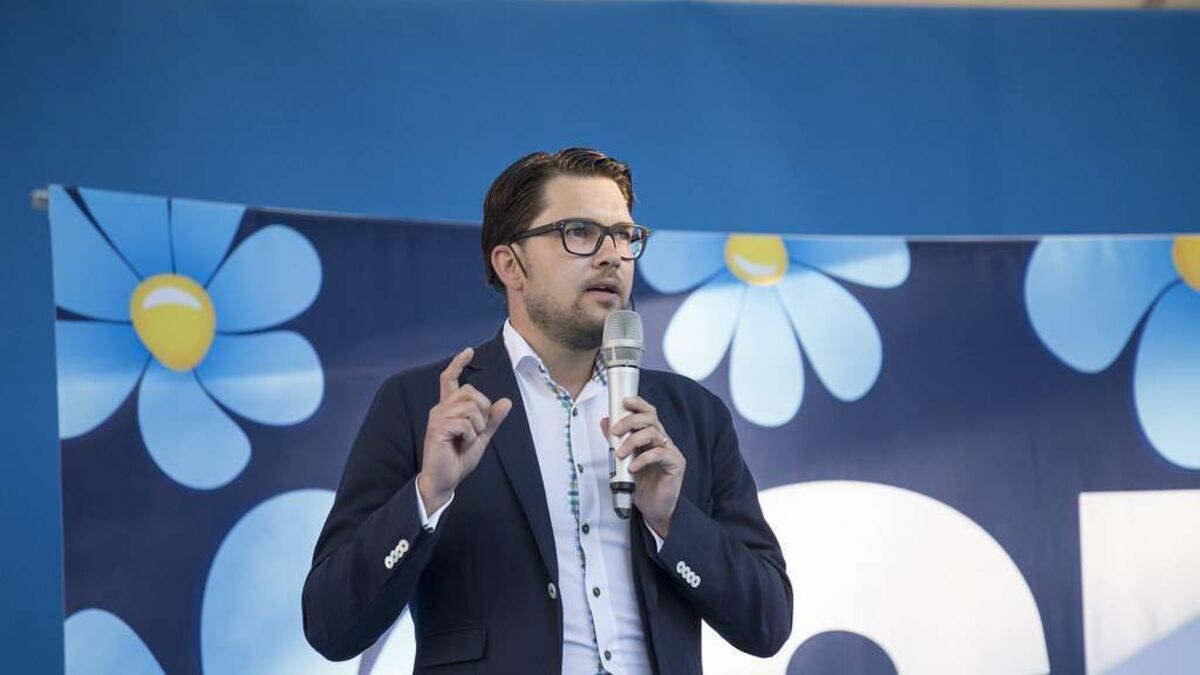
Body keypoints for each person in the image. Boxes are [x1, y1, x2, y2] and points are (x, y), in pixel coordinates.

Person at [303, 148, 792, 674]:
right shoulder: (425, 405)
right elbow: (332, 626)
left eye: (624, 235)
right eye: (580, 232)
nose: (612, 256)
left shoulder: (691, 416)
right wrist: (427, 496)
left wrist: (672, 520)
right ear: (510, 264)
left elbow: (767, 624)